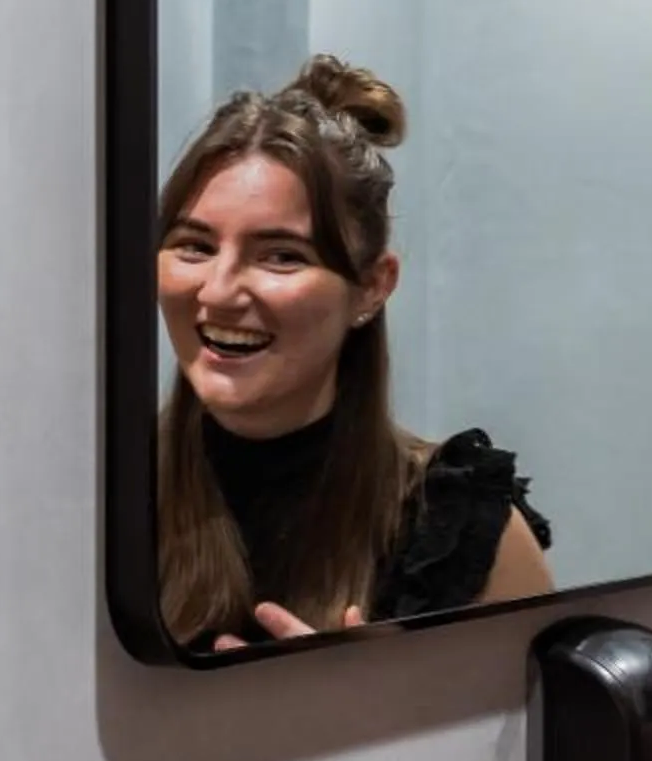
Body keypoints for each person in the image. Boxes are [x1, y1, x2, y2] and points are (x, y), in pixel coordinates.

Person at [154, 56, 551, 653]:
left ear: (371, 287)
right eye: (194, 246)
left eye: (281, 256)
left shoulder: (455, 528)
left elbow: (545, 710)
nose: (218, 291)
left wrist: (362, 703)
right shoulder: (92, 498)